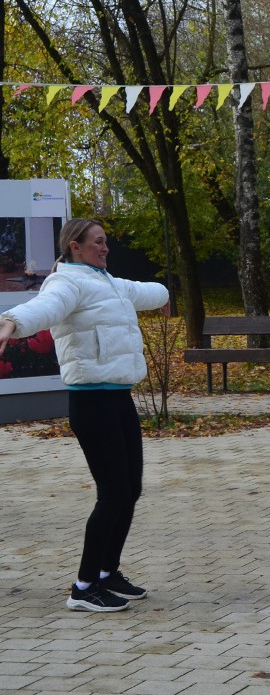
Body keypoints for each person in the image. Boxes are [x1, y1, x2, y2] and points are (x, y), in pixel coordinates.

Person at [0, 218, 170, 613]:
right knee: (112, 495)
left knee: (129, 491)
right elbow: (43, 308)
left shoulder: (107, 281)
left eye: (106, 241)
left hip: (118, 399)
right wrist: (12, 321)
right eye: (98, 242)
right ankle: (84, 586)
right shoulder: (67, 282)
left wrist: (162, 293)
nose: (106, 248)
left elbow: (148, 291)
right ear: (75, 246)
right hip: (91, 403)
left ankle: (109, 573)